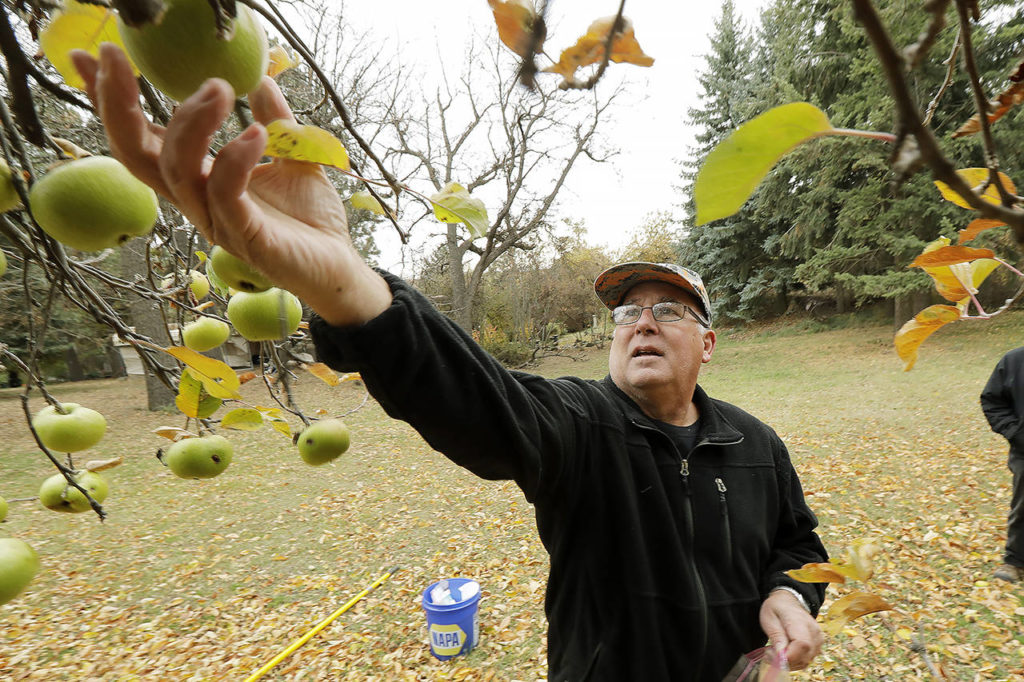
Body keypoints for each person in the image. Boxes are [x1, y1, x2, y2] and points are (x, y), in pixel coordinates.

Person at [71, 45, 828, 680]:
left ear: (709, 342)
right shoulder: (582, 425)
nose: (642, 323)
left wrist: (790, 595)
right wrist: (347, 286)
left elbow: (797, 544)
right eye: (627, 311)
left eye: (670, 310)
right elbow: (478, 402)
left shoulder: (754, 443)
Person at [980, 348, 1024, 583]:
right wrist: (1016, 433)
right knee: (1023, 506)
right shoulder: (1014, 360)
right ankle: (1015, 561)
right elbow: (992, 401)